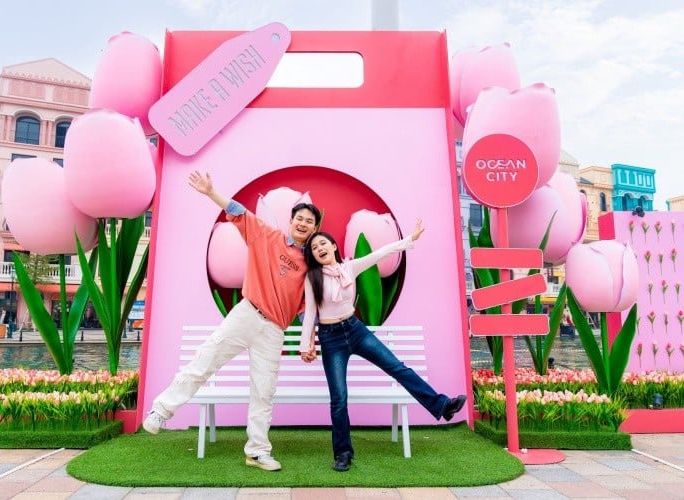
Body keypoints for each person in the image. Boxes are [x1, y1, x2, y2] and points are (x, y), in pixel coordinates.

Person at [143, 171, 321, 472]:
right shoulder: (267, 235)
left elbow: (306, 309)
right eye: (299, 218)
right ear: (290, 220)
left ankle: (257, 451)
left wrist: (309, 342)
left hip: (274, 330)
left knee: (264, 390)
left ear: (316, 227)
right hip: (247, 314)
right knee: (205, 359)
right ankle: (161, 410)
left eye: (309, 221)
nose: (303, 224)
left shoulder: (310, 264)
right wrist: (212, 192)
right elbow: (238, 211)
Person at [299, 219, 467, 472]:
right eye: (314, 248)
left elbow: (380, 253)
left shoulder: (350, 267)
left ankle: (442, 405)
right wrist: (305, 345)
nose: (319, 248)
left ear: (333, 246)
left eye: (323, 243)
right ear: (313, 255)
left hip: (354, 330)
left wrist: (409, 240)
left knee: (397, 368)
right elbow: (310, 313)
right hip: (331, 337)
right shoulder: (312, 278)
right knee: (339, 398)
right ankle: (343, 453)